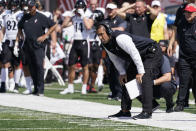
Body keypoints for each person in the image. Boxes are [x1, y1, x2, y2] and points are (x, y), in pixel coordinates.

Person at [96, 22, 162, 119]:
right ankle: (125, 110)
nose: (100, 37)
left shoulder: (120, 38)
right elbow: (115, 59)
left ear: (109, 32)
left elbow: (134, 53)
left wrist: (140, 71)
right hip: (140, 56)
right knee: (126, 80)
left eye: (102, 34)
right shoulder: (105, 43)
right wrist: (122, 73)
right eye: (98, 35)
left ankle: (147, 111)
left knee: (145, 78)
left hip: (151, 52)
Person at [16, 0, 57, 96]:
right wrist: (21, 35)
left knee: (39, 65)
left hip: (38, 45)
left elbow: (53, 25)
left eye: (32, 7)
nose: (30, 8)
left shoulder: (41, 16)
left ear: (35, 7)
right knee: (31, 67)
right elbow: (19, 27)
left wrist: (45, 35)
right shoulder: (25, 17)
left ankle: (41, 89)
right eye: (29, 7)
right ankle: (35, 88)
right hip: (28, 45)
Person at [60, 0, 93, 95]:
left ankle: (84, 87)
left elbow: (88, 26)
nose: (78, 10)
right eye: (77, 8)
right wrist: (70, 15)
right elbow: (64, 25)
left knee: (85, 66)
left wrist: (83, 16)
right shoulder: (74, 17)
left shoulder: (88, 15)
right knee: (71, 65)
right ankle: (70, 87)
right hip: (75, 42)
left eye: (80, 8)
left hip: (84, 42)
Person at [169, 3, 196, 111]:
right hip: (184, 57)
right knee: (184, 81)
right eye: (186, 12)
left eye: (190, 12)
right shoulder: (181, 22)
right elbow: (176, 35)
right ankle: (180, 104)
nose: (187, 14)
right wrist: (171, 44)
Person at [104, 2, 127, 101]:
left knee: (119, 71)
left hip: (119, 50)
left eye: (111, 9)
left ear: (116, 10)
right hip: (108, 50)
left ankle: (120, 93)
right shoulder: (105, 20)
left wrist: (107, 30)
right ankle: (113, 92)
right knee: (110, 72)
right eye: (108, 9)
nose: (109, 11)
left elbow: (121, 29)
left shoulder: (120, 19)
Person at [0, 0, 23, 93]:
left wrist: (18, 42)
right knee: (5, 62)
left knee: (17, 63)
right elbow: (3, 29)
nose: (13, 6)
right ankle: (5, 83)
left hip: (17, 40)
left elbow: (22, 29)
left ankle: (16, 85)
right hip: (7, 40)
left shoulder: (21, 14)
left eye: (14, 4)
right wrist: (1, 42)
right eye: (11, 4)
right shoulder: (5, 14)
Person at [152, 40, 177, 113]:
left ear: (166, 47)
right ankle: (152, 104)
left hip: (166, 82)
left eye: (163, 46)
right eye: (159, 45)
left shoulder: (169, 57)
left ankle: (169, 104)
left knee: (166, 85)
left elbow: (170, 73)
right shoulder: (151, 57)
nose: (161, 47)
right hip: (155, 83)